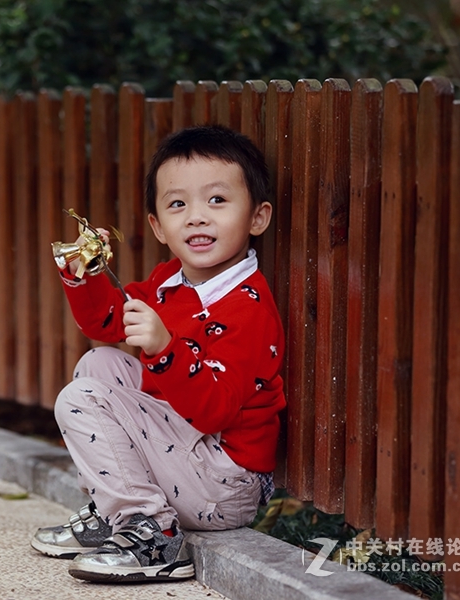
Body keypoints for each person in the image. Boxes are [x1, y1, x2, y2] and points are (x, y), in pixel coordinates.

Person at [31, 124, 286, 584]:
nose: (196, 217)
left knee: (80, 398)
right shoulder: (171, 280)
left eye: (217, 201)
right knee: (98, 365)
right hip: (185, 455)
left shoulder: (247, 306)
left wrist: (165, 347)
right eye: (177, 204)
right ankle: (118, 512)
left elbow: (215, 411)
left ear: (257, 218)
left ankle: (155, 536)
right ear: (158, 226)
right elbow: (107, 324)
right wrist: (83, 275)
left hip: (222, 482)